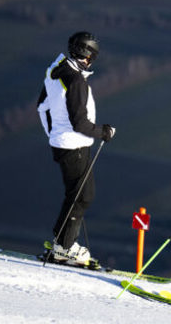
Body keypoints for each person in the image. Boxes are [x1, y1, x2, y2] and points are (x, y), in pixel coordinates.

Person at [36, 31, 115, 266]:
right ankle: (65, 247)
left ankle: (62, 243)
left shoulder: (55, 71)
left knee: (77, 194)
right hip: (74, 144)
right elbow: (80, 123)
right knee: (83, 196)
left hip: (63, 143)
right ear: (88, 57)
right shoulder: (77, 81)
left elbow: (42, 106)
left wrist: (53, 133)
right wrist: (104, 131)